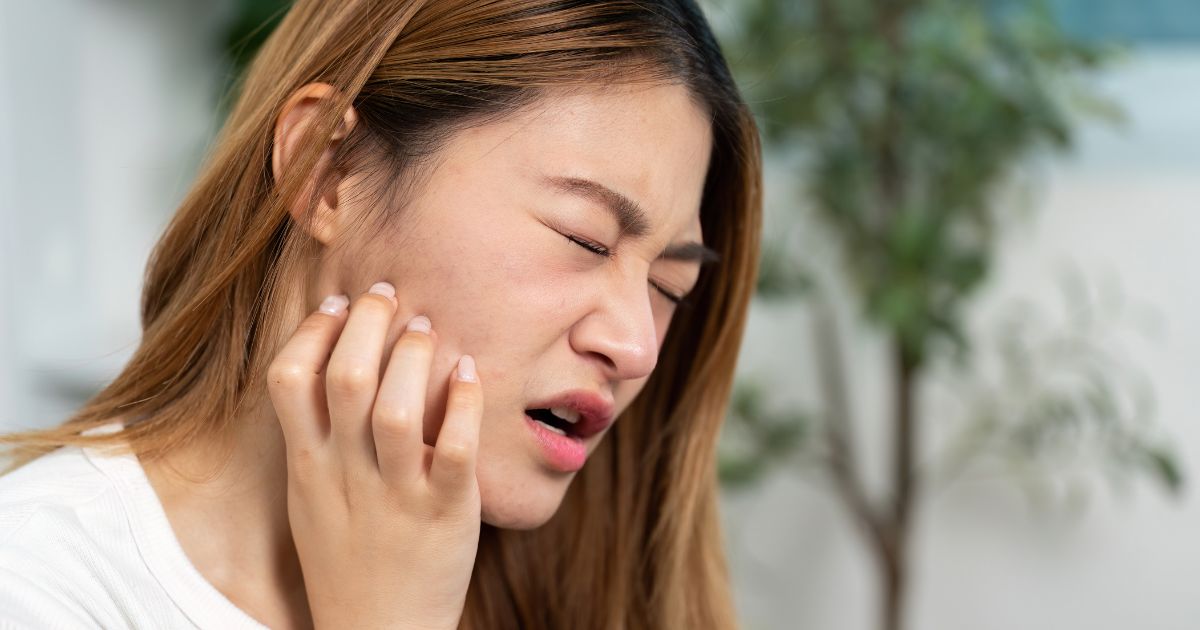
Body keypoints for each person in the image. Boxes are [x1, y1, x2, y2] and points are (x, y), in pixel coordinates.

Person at [0, 0, 762, 628]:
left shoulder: (602, 591)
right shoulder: (38, 584)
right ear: (330, 173)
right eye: (584, 239)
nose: (636, 345)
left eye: (669, 287)